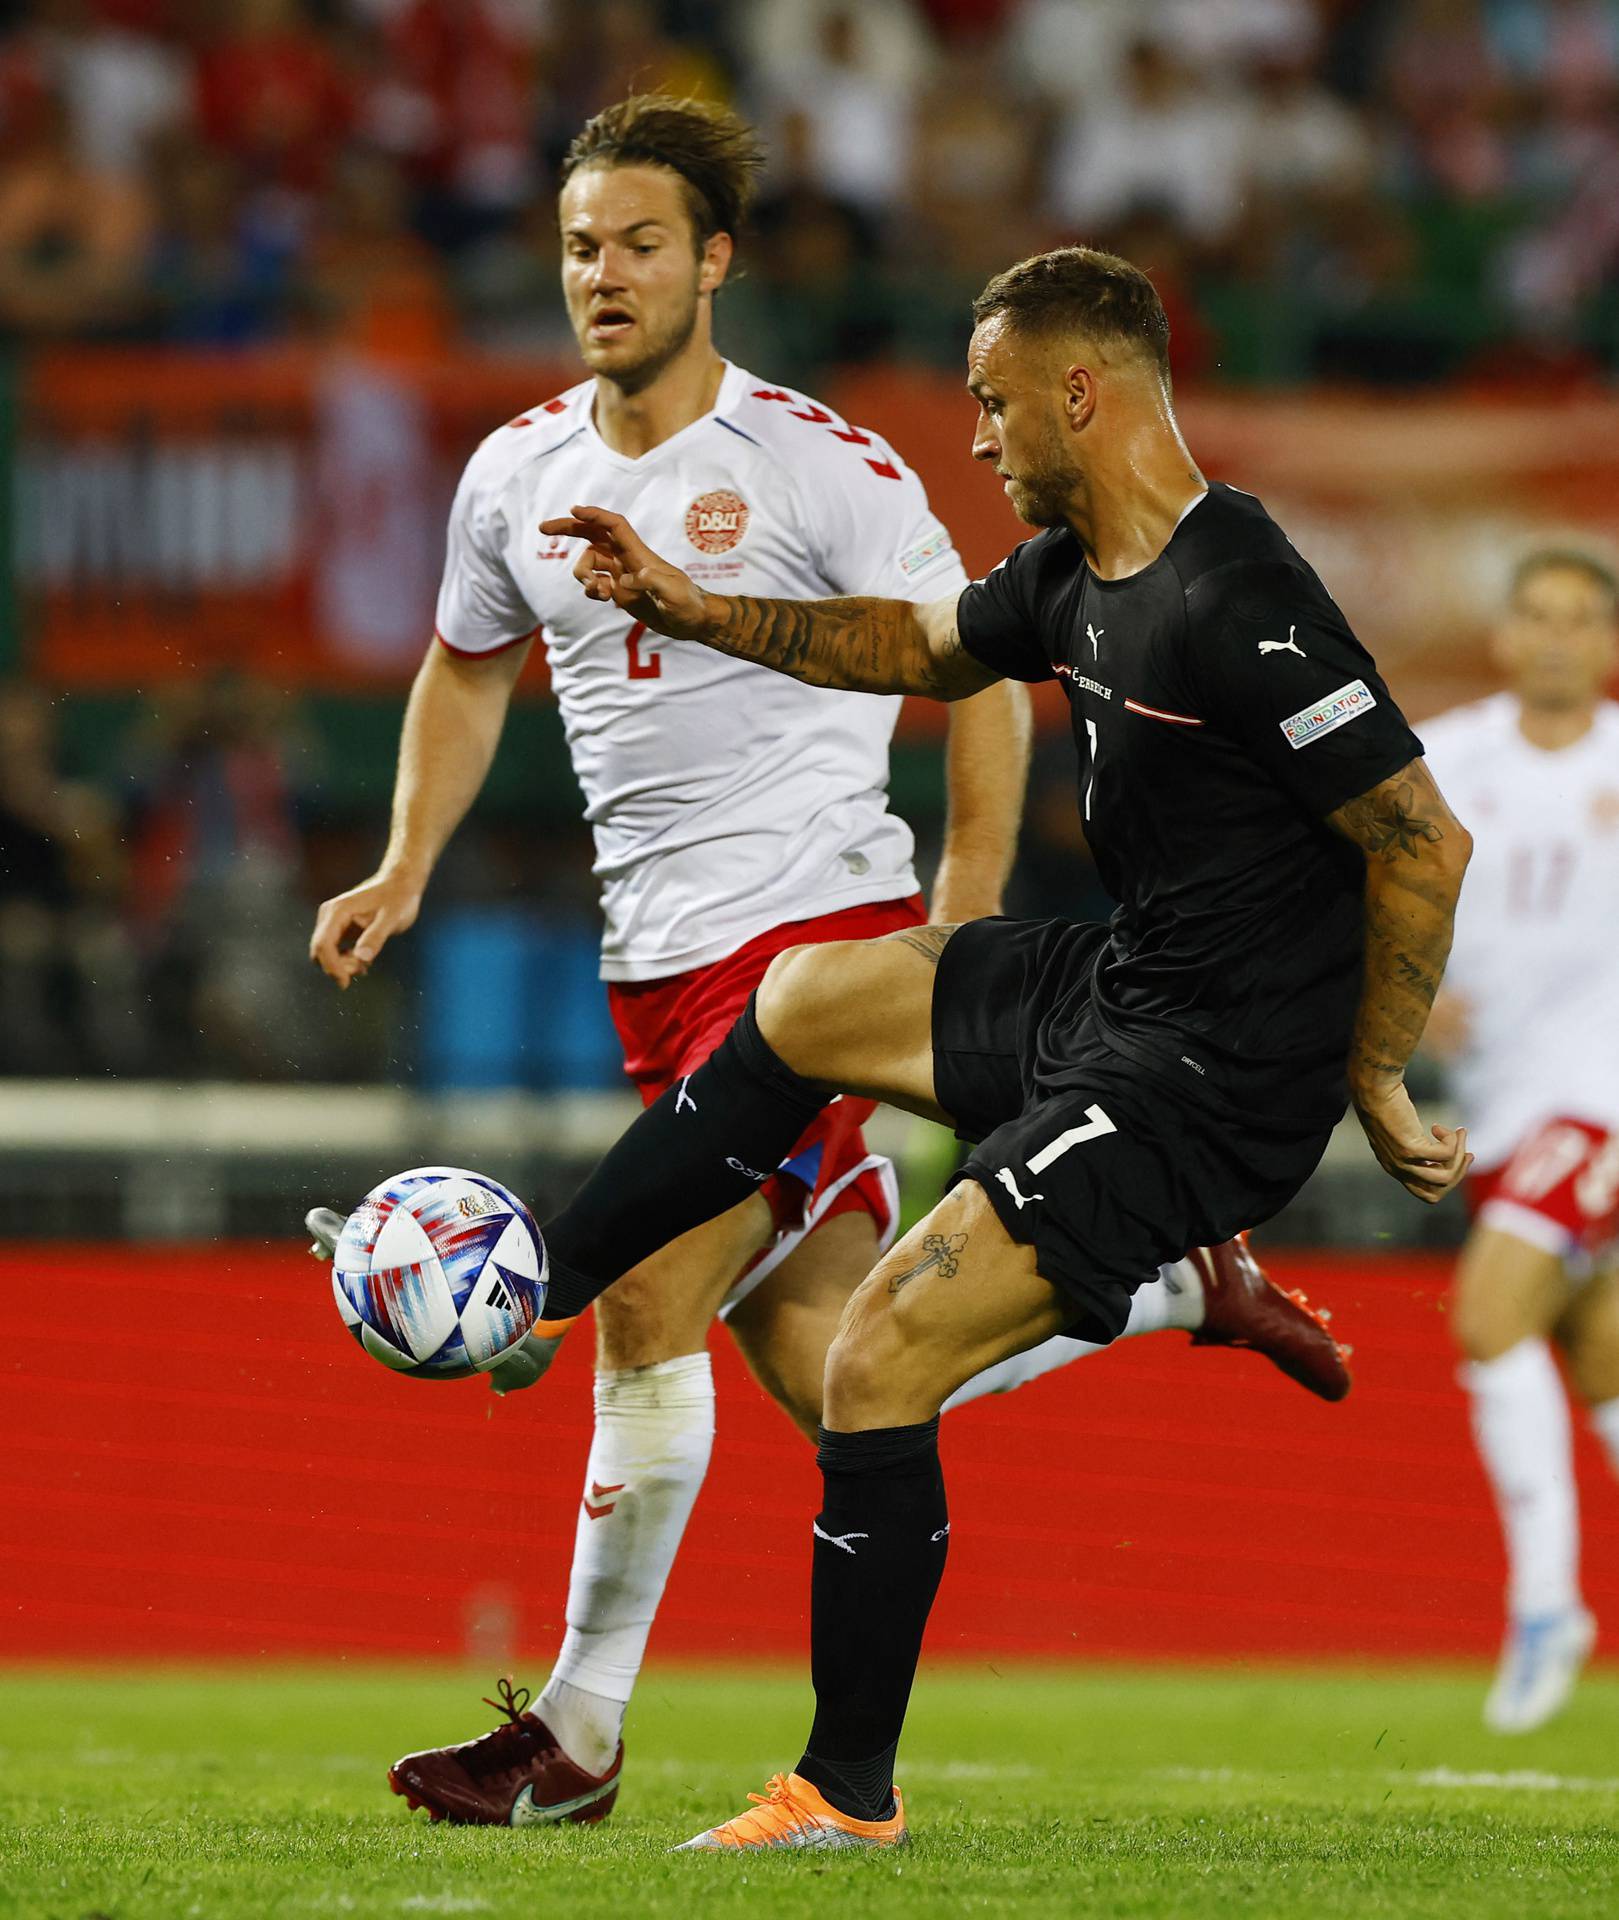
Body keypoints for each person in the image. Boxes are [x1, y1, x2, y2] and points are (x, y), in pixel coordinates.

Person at [309, 103, 1349, 1830]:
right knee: (835, 1368)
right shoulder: (511, 472)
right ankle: (1173, 1290)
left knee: (634, 1299)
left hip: (809, 942)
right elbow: (463, 667)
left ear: (714, 259)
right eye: (580, 246)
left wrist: (952, 907)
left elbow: (976, 668)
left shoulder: (820, 465)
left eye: (640, 242)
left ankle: (573, 1739)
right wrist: (405, 859)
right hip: (651, 967)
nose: (603, 275)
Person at [513, 241, 1473, 1850]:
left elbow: (1417, 840)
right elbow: (907, 651)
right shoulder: (1066, 575)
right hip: (1126, 985)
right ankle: (542, 1279)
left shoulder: (1234, 597)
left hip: (1212, 1075)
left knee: (873, 1357)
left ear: (1077, 394)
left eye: (992, 403)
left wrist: (1370, 1075)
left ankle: (843, 1796)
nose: (975, 437)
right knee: (804, 1002)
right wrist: (682, 606)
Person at [1419, 548, 1619, 1734]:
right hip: (1491, 1101)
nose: (1553, 638)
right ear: (1504, 636)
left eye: (1577, 620)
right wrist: (1407, 984)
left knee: (1488, 1314)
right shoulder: (1451, 756)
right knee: (1599, 1362)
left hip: (1600, 1097)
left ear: (1604, 642)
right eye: (1534, 617)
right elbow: (1367, 881)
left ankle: (1545, 1606)